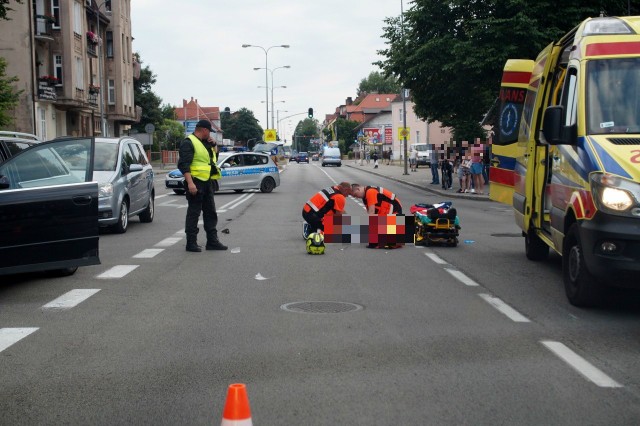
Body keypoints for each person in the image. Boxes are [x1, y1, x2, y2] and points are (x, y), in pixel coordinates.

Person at [177, 119, 228, 252]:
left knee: (210, 213)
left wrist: (214, 145)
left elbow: (213, 159)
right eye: (209, 132)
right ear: (204, 130)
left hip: (207, 182)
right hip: (195, 182)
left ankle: (212, 242)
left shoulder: (206, 143)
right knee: (194, 213)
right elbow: (184, 165)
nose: (210, 135)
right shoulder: (188, 143)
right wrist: (190, 183)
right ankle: (191, 243)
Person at [351, 184, 403, 248]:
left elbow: (371, 212)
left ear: (358, 189)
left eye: (355, 195)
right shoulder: (366, 194)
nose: (356, 197)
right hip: (389, 208)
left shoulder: (370, 192)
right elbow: (372, 212)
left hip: (393, 208)